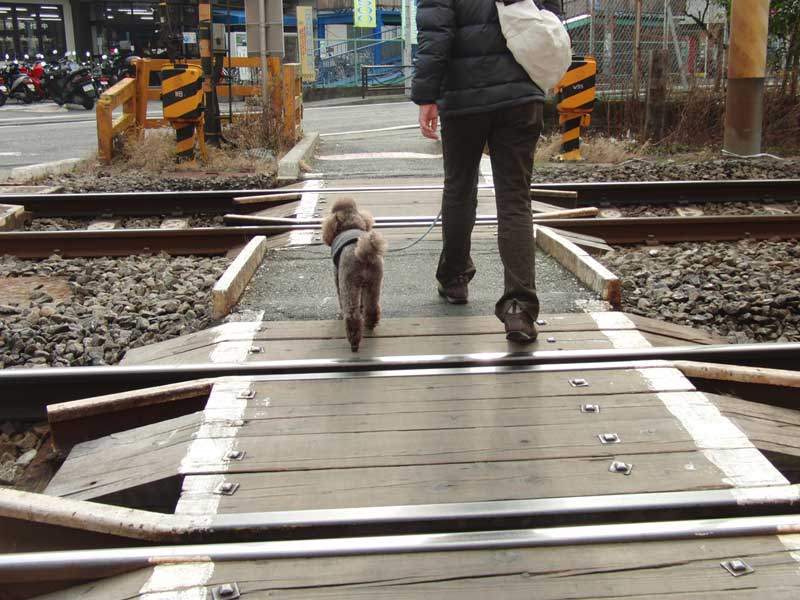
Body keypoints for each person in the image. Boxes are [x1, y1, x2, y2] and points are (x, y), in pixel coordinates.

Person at [412, 0, 562, 343]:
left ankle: (454, 279)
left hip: (463, 98)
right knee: (515, 199)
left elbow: (436, 34)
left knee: (459, 188)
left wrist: (427, 96)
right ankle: (519, 309)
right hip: (520, 93)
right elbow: (552, 16)